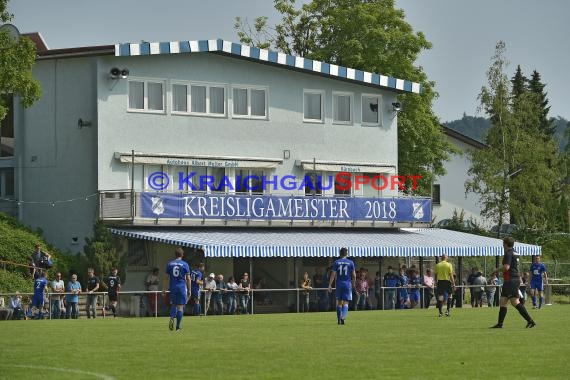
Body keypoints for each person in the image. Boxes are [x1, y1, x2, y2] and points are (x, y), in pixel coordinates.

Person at [491, 236, 535, 328]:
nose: (503, 245)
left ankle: (530, 321)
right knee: (503, 301)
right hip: (510, 280)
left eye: (503, 244)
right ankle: (500, 324)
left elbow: (506, 267)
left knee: (515, 302)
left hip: (511, 280)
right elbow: (516, 267)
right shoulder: (516, 252)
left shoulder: (508, 253)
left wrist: (496, 270)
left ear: (506, 244)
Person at [162, 247, 191, 331]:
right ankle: (178, 327)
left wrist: (164, 288)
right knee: (180, 307)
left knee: (174, 304)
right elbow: (188, 279)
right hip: (181, 287)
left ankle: (171, 317)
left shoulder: (170, 264)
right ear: (182, 255)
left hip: (173, 287)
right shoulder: (185, 264)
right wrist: (189, 290)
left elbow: (166, 277)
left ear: (175, 254)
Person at [328, 247, 356, 325]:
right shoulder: (351, 262)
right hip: (347, 284)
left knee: (339, 302)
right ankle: (343, 316)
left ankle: (339, 319)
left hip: (339, 284)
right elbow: (354, 275)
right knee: (346, 302)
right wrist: (353, 284)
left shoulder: (336, 262)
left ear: (340, 254)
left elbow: (333, 274)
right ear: (347, 253)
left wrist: (330, 285)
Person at [434, 253, 455, 317]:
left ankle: (440, 312)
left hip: (440, 282)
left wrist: (436, 282)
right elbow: (451, 275)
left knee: (440, 297)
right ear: (446, 258)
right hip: (447, 281)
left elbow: (436, 275)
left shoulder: (437, 265)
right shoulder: (449, 265)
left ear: (441, 258)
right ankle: (447, 311)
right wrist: (453, 283)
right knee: (450, 295)